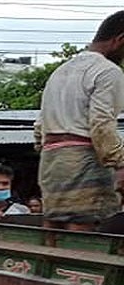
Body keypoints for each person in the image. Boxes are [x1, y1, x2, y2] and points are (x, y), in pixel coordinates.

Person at [35, 10, 124, 229]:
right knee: (84, 225)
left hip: (51, 160)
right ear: (120, 40)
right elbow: (102, 125)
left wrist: (45, 148)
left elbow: (40, 125)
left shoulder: (60, 71)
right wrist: (120, 162)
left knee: (53, 224)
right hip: (83, 158)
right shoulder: (108, 71)